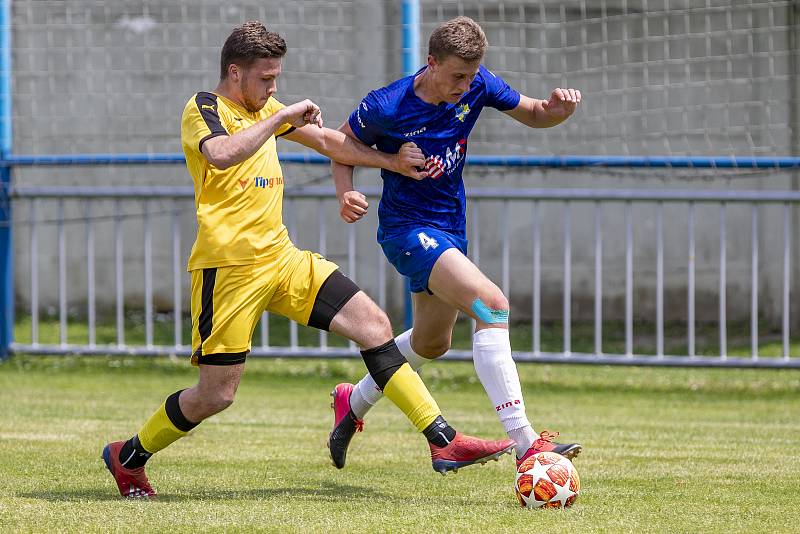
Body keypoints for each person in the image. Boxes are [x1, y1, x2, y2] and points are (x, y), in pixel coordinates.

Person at [101, 21, 515, 498]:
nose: (273, 88)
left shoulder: (266, 109)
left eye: (277, 79)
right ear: (235, 74)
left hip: (280, 258)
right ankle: (128, 455)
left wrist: (391, 163)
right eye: (265, 79)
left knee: (373, 324)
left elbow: (330, 142)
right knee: (216, 395)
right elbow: (220, 155)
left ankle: (443, 439)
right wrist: (279, 119)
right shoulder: (204, 109)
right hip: (228, 270)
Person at [328, 16, 583, 472]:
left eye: (472, 76)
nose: (466, 86)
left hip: (449, 228)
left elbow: (534, 111)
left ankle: (353, 400)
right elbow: (340, 144)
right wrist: (345, 190)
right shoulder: (388, 104)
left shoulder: (478, 82)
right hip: (406, 229)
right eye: (456, 77)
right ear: (430, 63)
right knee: (491, 305)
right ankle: (526, 443)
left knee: (431, 343)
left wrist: (556, 112)